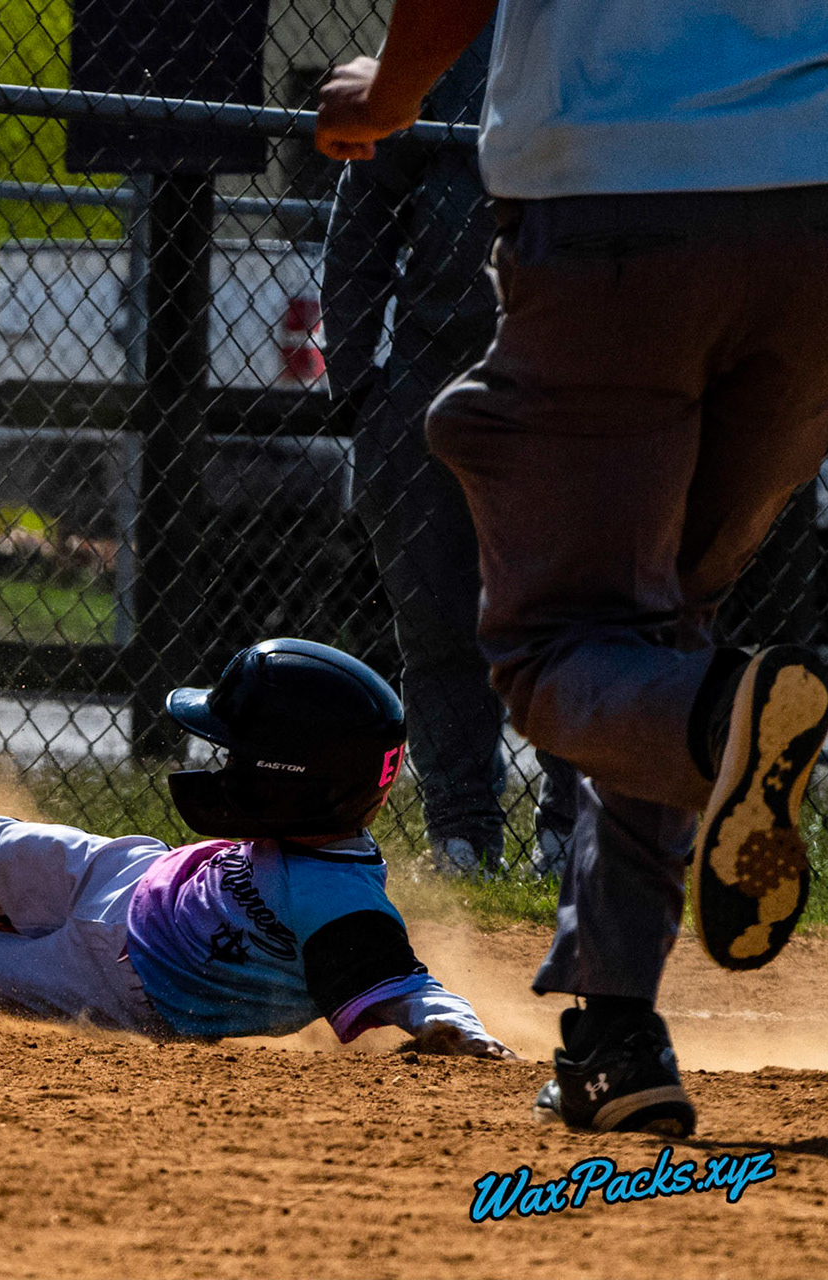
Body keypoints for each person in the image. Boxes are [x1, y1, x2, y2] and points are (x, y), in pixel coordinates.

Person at [317, 0, 828, 1135]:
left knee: (559, 645)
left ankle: (718, 728)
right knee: (656, 629)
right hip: (823, 221)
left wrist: (392, 93)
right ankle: (612, 1037)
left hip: (618, 199)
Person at [0, 638, 514, 1059]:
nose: (223, 767)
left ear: (291, 780)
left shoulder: (340, 903)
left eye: (238, 758)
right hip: (128, 869)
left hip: (122, 989)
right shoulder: (303, 828)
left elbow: (410, 988)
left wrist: (457, 1030)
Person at [322, 25, 578, 880]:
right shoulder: (447, 52)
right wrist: (361, 389)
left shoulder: (605, 48)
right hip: (428, 385)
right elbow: (361, 227)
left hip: (572, 391)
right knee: (436, 622)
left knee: (573, 618)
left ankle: (569, 833)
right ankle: (461, 835)